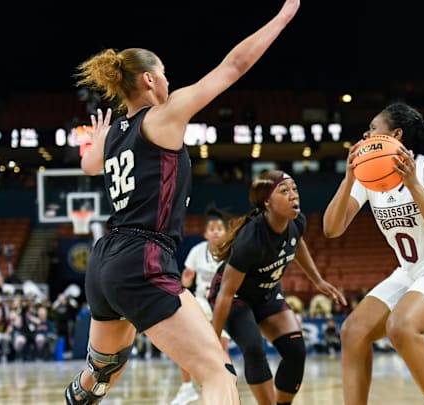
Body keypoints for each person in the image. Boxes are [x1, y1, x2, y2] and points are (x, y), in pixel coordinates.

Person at [64, 2, 300, 404]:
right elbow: (234, 66)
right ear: (150, 78)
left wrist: (99, 137)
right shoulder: (163, 116)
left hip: (105, 262)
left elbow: (89, 164)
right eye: (166, 76)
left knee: (100, 371)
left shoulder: (116, 133)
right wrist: (282, 17)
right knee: (218, 374)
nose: (170, 84)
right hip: (143, 256)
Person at [322, 102, 424, 405]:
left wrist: (412, 184)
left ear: (395, 135)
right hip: (412, 271)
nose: (365, 134)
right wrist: (349, 179)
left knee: (402, 325)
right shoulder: (368, 177)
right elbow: (332, 229)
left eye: (373, 128)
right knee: (353, 331)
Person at [209, 170, 346, 405]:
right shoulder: (250, 240)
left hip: (266, 293)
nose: (294, 195)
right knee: (253, 350)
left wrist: (317, 280)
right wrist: (212, 343)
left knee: (295, 351)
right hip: (235, 298)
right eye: (285, 191)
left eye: (294, 189)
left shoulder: (296, 221)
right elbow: (225, 295)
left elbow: (297, 243)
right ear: (267, 202)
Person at [170, 208, 232, 405]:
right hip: (202, 302)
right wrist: (186, 279)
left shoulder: (233, 252)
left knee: (221, 352)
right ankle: (187, 387)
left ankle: (223, 389)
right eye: (211, 229)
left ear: (226, 233)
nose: (215, 232)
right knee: (184, 342)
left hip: (224, 304)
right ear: (205, 234)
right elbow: (186, 283)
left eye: (220, 228)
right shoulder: (197, 251)